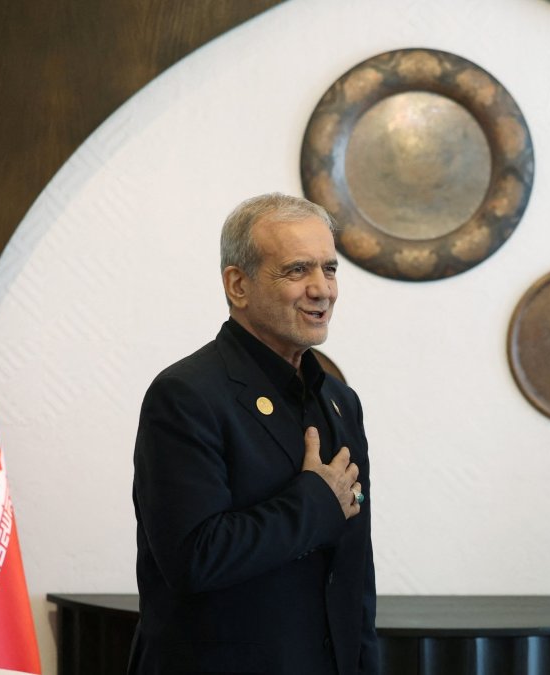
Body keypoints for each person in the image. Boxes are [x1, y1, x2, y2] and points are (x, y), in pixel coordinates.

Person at [129, 193, 377, 674]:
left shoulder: (340, 403)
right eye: (297, 270)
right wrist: (315, 503)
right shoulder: (184, 395)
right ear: (238, 285)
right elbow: (194, 558)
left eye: (329, 269)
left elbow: (353, 574)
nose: (322, 289)